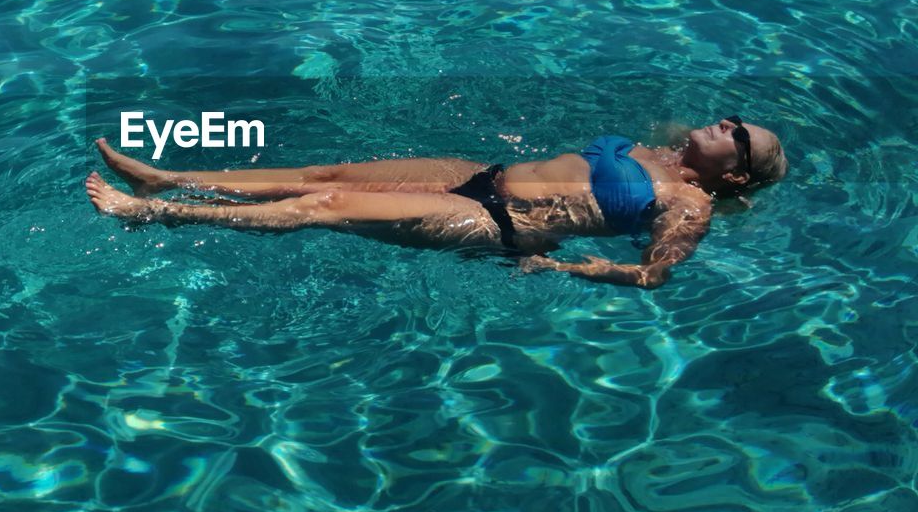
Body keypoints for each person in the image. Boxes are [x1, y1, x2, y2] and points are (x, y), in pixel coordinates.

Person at [84, 117, 788, 288]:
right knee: (328, 170)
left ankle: (147, 211)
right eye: (731, 120)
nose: (725, 126)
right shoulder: (662, 150)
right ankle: (167, 177)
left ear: (737, 178)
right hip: (478, 175)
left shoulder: (687, 204)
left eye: (739, 138)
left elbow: (653, 275)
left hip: (499, 221)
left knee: (325, 204)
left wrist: (565, 270)